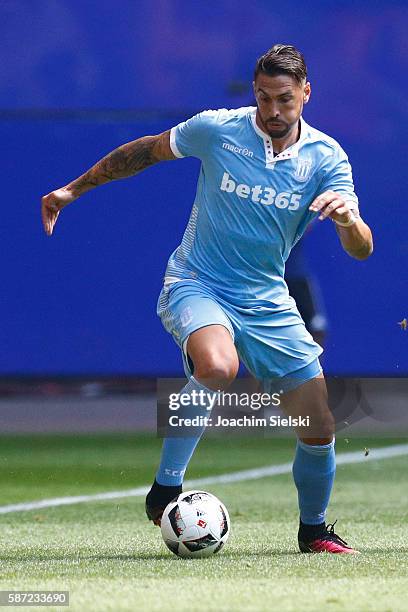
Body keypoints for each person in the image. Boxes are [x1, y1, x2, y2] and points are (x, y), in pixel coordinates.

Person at [41, 44, 373, 554]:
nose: (273, 110)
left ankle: (314, 531)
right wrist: (71, 191)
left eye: (284, 99)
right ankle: (167, 487)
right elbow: (143, 152)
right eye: (263, 97)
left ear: (307, 93)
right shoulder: (218, 129)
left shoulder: (326, 158)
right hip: (198, 280)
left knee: (320, 426)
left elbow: (362, 249)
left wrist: (349, 221)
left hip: (265, 298)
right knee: (219, 367)